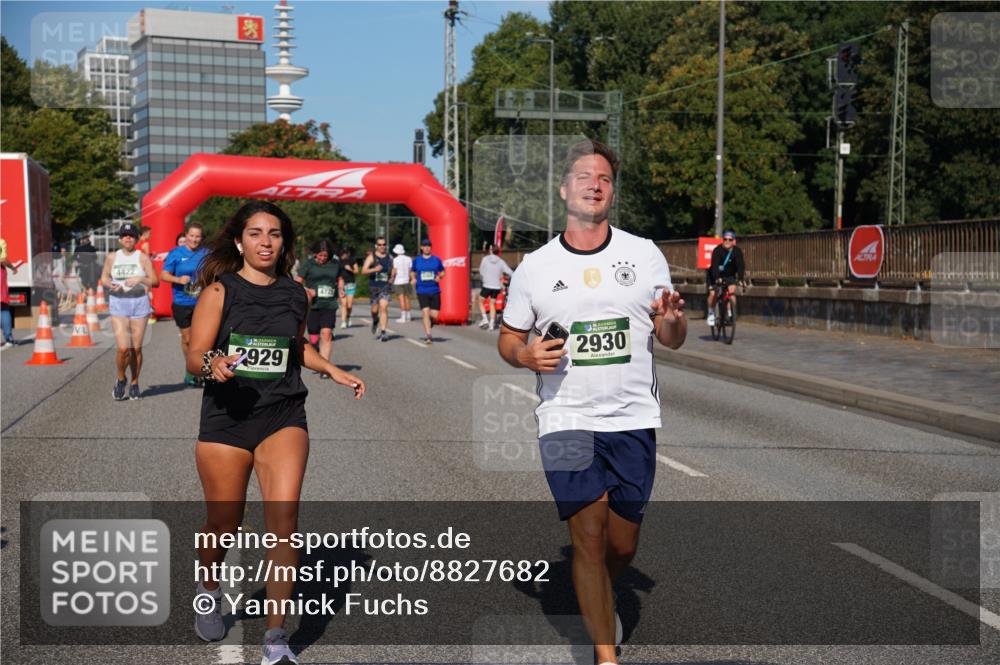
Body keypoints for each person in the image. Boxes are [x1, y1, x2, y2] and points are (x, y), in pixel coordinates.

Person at [497, 140, 686, 665]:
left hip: (633, 418)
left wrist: (672, 318)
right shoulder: (536, 266)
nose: (594, 184)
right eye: (584, 175)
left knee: (620, 547)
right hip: (565, 417)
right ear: (564, 190)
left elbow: (672, 336)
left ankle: (601, 598)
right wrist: (524, 355)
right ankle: (606, 656)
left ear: (611, 192)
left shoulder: (643, 253)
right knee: (587, 535)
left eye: (604, 177)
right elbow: (508, 338)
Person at [187, 201, 364, 664]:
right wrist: (214, 363)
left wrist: (331, 369)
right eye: (256, 233)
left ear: (284, 242)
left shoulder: (294, 293)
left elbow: (296, 347)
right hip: (226, 420)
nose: (265, 241)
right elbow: (194, 355)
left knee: (283, 526)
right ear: (240, 241)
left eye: (275, 234)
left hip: (283, 416)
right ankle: (208, 586)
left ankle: (276, 639)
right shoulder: (219, 292)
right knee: (223, 526)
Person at [101, 223, 159, 400]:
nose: (128, 238)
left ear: (136, 239)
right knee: (123, 348)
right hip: (119, 303)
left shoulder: (142, 258)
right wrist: (108, 283)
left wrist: (140, 278)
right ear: (120, 239)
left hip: (139, 304)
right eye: (124, 235)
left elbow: (155, 281)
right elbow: (104, 276)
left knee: (136, 349)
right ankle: (120, 379)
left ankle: (134, 382)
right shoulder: (112, 257)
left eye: (131, 235)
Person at [161, 222, 209, 386]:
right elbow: (164, 275)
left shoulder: (206, 253)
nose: (195, 239)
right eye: (192, 236)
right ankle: (191, 369)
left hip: (202, 301)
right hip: (182, 301)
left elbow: (214, 272)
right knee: (188, 339)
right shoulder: (176, 253)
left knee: (204, 338)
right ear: (186, 236)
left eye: (198, 236)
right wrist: (178, 279)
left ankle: (203, 370)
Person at [296, 238, 341, 374]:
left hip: (329, 304)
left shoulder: (335, 264)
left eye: (325, 256)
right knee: (313, 337)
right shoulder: (308, 265)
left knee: (326, 334)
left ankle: (325, 367)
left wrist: (341, 288)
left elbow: (340, 278)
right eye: (319, 255)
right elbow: (298, 282)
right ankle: (315, 350)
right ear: (315, 253)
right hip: (313, 305)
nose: (322, 258)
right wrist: (307, 291)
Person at [705, 229, 745, 327]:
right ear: (722, 240)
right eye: (725, 239)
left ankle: (730, 314)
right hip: (714, 274)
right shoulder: (717, 250)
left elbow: (741, 266)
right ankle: (711, 313)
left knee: (731, 292)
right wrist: (717, 277)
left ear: (734, 241)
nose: (727, 241)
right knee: (713, 293)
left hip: (729, 275)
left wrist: (740, 279)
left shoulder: (737, 251)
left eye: (730, 239)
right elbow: (714, 266)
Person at [410, 237, 445, 345]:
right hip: (422, 290)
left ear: (431, 248)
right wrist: (413, 278)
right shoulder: (417, 260)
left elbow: (443, 271)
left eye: (428, 246)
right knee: (425, 312)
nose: (426, 248)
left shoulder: (436, 260)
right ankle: (428, 335)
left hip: (434, 290)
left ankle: (430, 321)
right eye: (424, 246)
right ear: (421, 248)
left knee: (434, 315)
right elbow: (412, 271)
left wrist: (440, 277)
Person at [361, 237, 394, 342]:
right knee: (374, 310)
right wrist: (374, 269)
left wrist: (392, 277)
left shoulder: (390, 257)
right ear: (376, 246)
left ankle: (383, 332)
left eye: (383, 244)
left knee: (383, 307)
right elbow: (363, 271)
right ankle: (375, 320)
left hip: (385, 286)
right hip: (374, 287)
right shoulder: (372, 257)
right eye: (379, 245)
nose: (382, 246)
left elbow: (393, 270)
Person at [477, 243, 513, 329]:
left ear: (491, 250)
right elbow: (510, 272)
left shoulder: (485, 259)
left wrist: (485, 278)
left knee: (480, 301)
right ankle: (492, 324)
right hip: (497, 286)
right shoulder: (501, 261)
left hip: (487, 285)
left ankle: (485, 319)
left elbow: (481, 271)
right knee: (492, 303)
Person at [337, 247, 358, 329]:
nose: (344, 255)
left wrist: (351, 269)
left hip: (351, 284)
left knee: (349, 305)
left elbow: (356, 271)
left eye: (345, 253)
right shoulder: (338, 262)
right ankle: (343, 322)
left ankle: (348, 318)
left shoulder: (352, 260)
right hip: (342, 285)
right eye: (342, 253)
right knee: (343, 304)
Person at [391, 243, 413, 323]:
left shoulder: (395, 259)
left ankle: (403, 317)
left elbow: (394, 271)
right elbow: (410, 270)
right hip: (407, 280)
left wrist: (391, 278)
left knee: (401, 299)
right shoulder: (409, 258)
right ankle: (409, 316)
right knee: (407, 298)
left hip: (398, 281)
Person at [1, 238, 16, 349]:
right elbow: (3, 259)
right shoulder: (1, 242)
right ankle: (8, 338)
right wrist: (12, 267)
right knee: (3, 307)